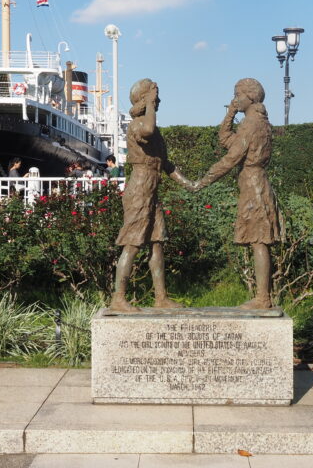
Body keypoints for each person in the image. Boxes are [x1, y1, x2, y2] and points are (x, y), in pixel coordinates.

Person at [191, 79, 283, 309]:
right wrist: (230, 113)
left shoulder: (251, 123)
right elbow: (226, 141)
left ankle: (263, 298)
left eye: (236, 95)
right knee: (258, 240)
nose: (234, 99)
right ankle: (263, 296)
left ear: (250, 96)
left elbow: (231, 158)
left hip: (254, 186)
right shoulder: (256, 122)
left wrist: (203, 181)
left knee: (259, 240)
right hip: (254, 183)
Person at [110, 78, 194, 312]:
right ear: (145, 99)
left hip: (152, 190)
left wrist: (189, 183)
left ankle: (161, 297)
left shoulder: (156, 133)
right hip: (139, 189)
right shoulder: (139, 124)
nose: (158, 101)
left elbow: (166, 164)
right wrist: (148, 103)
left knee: (157, 243)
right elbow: (147, 128)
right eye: (155, 97)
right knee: (133, 243)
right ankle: (119, 298)